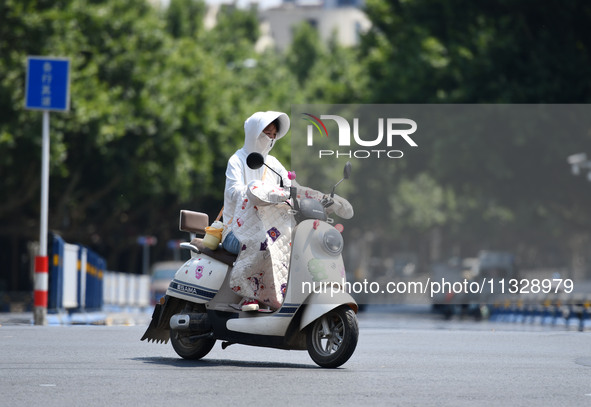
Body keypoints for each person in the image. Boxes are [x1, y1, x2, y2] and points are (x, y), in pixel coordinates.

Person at [221, 111, 292, 311]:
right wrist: (257, 191)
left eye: (273, 134)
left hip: (270, 228)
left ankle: (284, 295)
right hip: (236, 231)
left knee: (294, 244)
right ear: (253, 132)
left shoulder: (274, 164)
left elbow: (289, 187)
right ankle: (248, 295)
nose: (269, 138)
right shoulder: (237, 160)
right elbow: (234, 191)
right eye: (265, 132)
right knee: (264, 242)